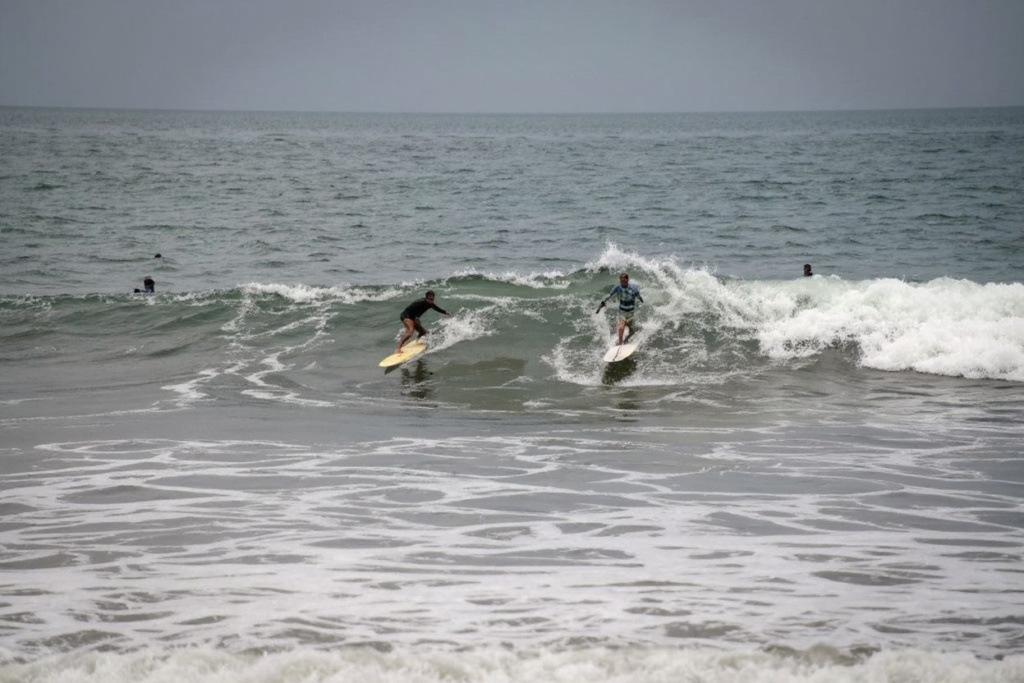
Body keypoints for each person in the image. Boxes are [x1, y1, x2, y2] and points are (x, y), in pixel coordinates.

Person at [596, 272, 643, 345]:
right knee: (621, 328)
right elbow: (610, 295)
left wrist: (641, 300)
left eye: (624, 280)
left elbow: (638, 296)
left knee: (632, 332)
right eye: (621, 280)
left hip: (631, 313)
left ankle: (626, 340)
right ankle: (620, 343)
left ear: (627, 280)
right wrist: (603, 303)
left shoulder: (633, 288)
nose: (622, 282)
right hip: (622, 312)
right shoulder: (618, 287)